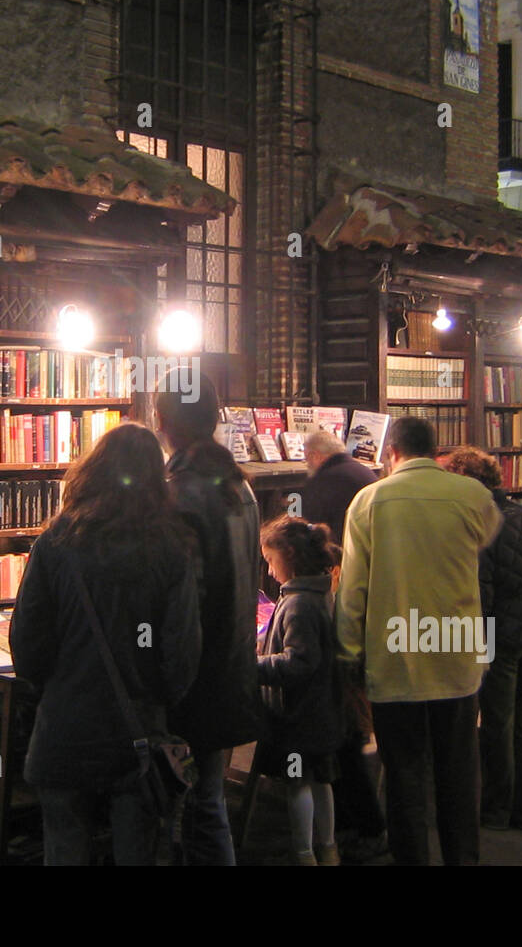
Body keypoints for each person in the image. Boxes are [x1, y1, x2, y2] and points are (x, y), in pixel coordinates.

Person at [9, 423, 201, 865]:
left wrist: (48, 688)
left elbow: (28, 639)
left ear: (91, 471)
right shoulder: (171, 548)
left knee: (65, 849)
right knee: (138, 850)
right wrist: (161, 699)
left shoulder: (57, 540)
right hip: (137, 734)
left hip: (64, 726)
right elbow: (181, 651)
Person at [336, 416, 501, 865]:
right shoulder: (475, 497)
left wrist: (348, 652)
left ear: (390, 454)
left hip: (396, 658)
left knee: (404, 777)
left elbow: (354, 589)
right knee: (459, 774)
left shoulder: (369, 501)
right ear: (436, 452)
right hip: (459, 654)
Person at [155, 367, 265, 866]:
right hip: (231, 668)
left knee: (176, 806)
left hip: (190, 680)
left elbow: (182, 602)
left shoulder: (178, 492)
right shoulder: (239, 488)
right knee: (209, 802)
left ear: (162, 421)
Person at [444, 446, 522, 831]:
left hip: (502, 629)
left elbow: (482, 591)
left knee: (497, 721)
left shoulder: (478, 524)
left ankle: (496, 808)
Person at [298, 430, 385, 860]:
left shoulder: (323, 484)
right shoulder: (366, 474)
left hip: (342, 603)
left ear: (314, 456)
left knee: (342, 726)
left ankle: (360, 823)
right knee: (353, 726)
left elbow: (318, 544)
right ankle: (358, 822)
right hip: (372, 604)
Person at [256, 516, 346, 865]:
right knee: (321, 781)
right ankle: (328, 848)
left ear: (288, 554)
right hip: (322, 712)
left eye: (269, 559)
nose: (268, 568)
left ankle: (304, 853)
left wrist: (255, 667)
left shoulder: (298, 603)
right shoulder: (319, 593)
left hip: (298, 717)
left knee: (297, 782)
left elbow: (298, 662)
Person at [301, 431, 378, 547]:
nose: (307, 464)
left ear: (315, 456)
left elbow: (309, 525)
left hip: (344, 550)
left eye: (307, 458)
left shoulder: (323, 480)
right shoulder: (365, 471)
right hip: (372, 543)